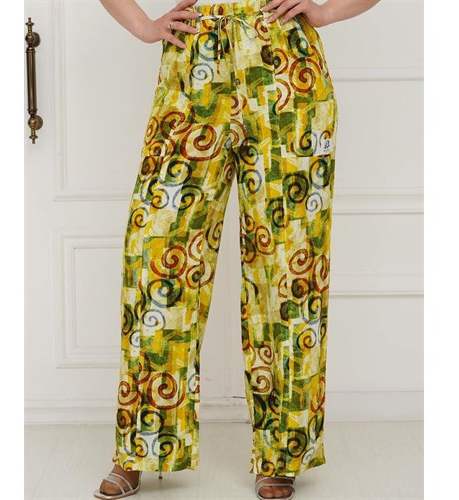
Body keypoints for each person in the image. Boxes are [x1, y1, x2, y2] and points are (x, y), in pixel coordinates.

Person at [95, 0, 380, 498]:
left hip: (285, 70)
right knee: (156, 257)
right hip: (193, 66)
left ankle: (283, 453)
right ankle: (141, 446)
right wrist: (142, 26)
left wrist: (327, 12)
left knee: (289, 269)